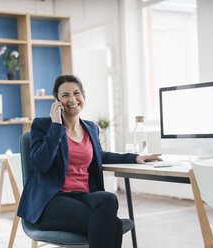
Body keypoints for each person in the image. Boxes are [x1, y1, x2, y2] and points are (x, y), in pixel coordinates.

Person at [17, 74, 162, 248]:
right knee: (112, 224)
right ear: (56, 101)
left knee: (108, 199)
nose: (72, 99)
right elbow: (41, 164)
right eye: (65, 95)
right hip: (51, 201)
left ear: (84, 95)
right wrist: (56, 126)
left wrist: (135, 157)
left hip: (83, 196)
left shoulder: (91, 127)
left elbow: (100, 155)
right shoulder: (43, 126)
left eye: (76, 93)